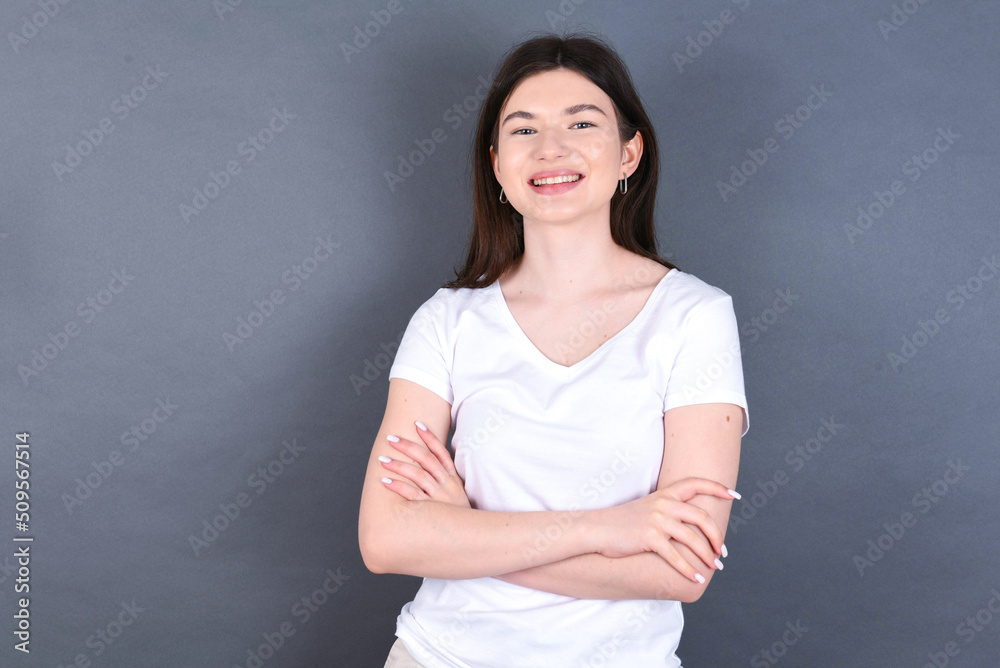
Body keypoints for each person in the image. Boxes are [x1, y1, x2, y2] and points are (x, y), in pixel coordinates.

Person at [358, 30, 749, 668]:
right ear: (496, 164)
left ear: (629, 154)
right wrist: (607, 528)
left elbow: (681, 570)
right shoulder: (446, 320)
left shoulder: (694, 317)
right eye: (523, 129)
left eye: (582, 122)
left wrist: (466, 530)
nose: (550, 148)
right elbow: (385, 540)